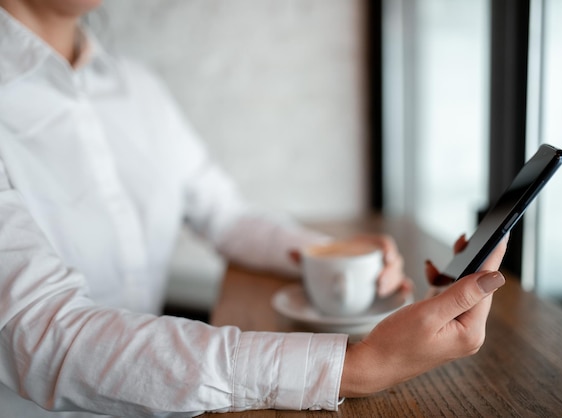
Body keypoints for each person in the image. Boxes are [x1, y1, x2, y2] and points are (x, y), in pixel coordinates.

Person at [0, 1, 508, 417]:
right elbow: (39, 333)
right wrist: (350, 369)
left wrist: (332, 256)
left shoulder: (136, 87)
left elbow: (225, 214)